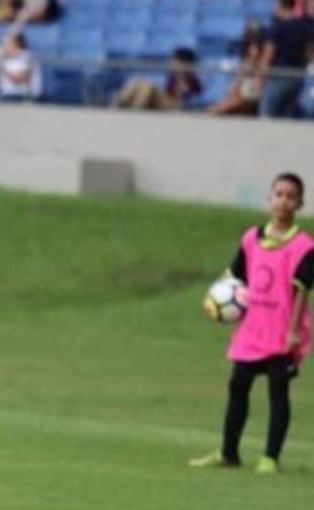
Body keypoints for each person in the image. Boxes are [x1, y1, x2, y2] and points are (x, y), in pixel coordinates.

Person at [191, 173, 313, 474]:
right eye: (279, 194)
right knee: (238, 386)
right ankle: (228, 453)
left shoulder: (304, 246)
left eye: (291, 196)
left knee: (278, 392)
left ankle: (270, 457)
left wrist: (294, 331)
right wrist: (215, 299)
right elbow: (234, 276)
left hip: (282, 332)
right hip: (252, 331)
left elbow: (302, 290)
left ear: (300, 204)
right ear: (270, 198)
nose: (283, 201)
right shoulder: (251, 239)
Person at [259, 0, 311, 118]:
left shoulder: (277, 27)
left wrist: (260, 77)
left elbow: (268, 54)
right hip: (297, 77)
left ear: (280, 5)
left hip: (279, 77)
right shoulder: (303, 28)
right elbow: (308, 54)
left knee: (267, 115)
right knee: (286, 118)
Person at [113, 48, 202, 111]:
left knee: (149, 87)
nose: (171, 63)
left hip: (172, 106)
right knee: (137, 81)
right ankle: (118, 104)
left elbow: (186, 100)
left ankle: (135, 111)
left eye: (175, 61)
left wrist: (182, 84)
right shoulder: (173, 76)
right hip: (165, 100)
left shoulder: (192, 80)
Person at [208, 23, 266, 116]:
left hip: (247, 103)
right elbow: (235, 89)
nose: (251, 49)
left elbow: (248, 98)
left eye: (254, 45)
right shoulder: (247, 64)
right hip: (239, 99)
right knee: (213, 110)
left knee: (216, 110)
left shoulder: (261, 67)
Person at [0, 33, 41, 101]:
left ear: (16, 44)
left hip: (21, 97)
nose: (4, 47)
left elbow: (19, 78)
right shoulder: (7, 59)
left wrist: (0, 67)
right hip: (7, 96)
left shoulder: (27, 56)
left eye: (7, 44)